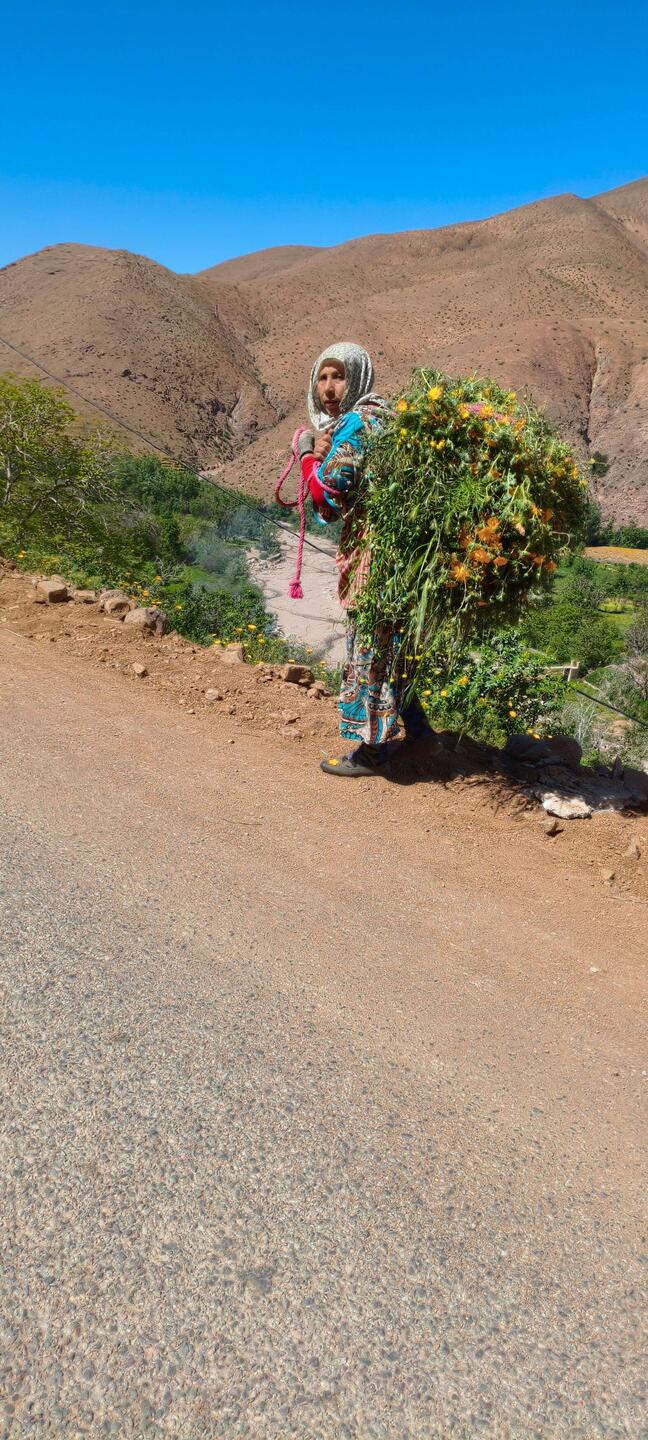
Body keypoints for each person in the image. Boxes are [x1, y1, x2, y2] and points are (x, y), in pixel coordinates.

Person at [297, 341, 434, 777]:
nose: (329, 388)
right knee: (394, 644)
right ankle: (420, 730)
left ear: (357, 378)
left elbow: (329, 496)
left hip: (375, 557)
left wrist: (307, 457)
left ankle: (373, 753)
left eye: (339, 376)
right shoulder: (383, 419)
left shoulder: (356, 424)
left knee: (371, 647)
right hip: (403, 553)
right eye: (322, 377)